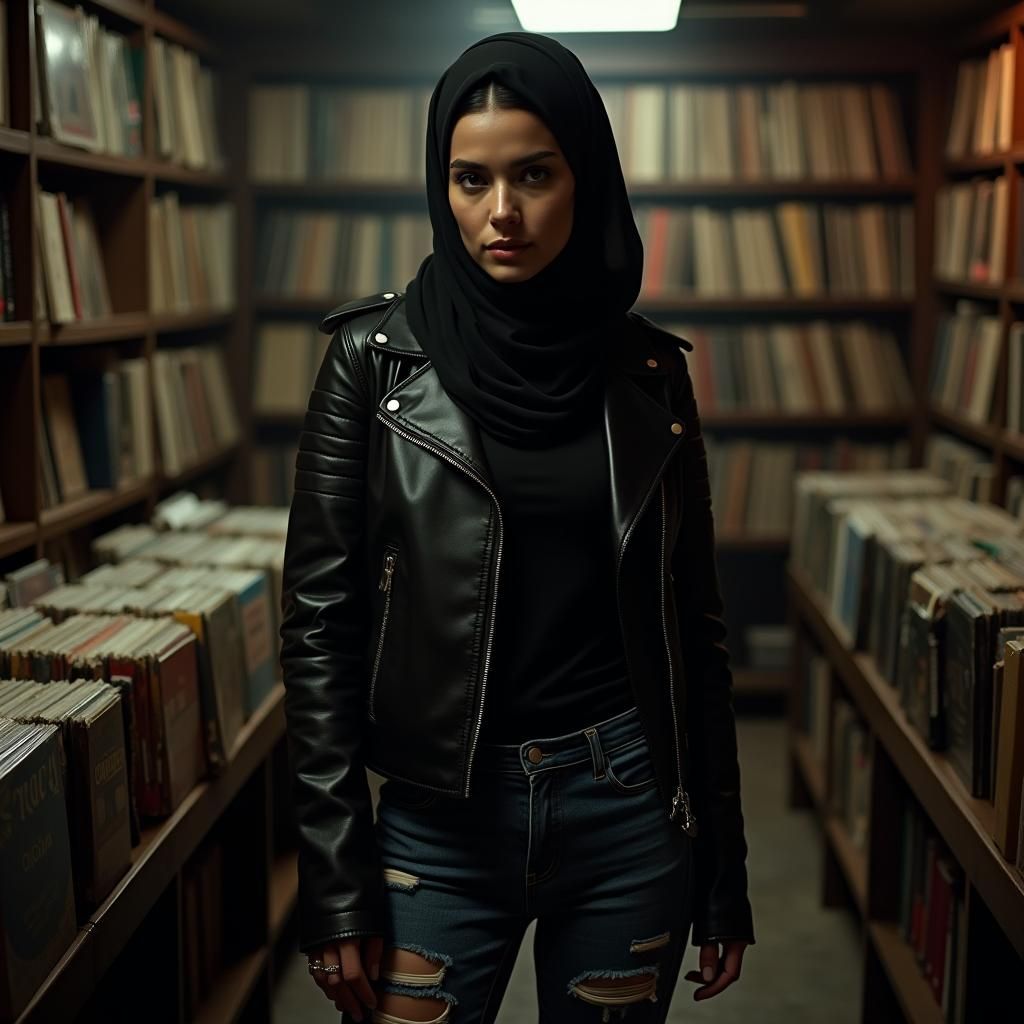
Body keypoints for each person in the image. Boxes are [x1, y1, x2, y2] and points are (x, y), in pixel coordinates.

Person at [279, 31, 755, 1024]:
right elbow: (319, 629)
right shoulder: (372, 362)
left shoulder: (649, 374)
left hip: (626, 801)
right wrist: (333, 876)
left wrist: (723, 869)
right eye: (471, 179)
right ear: (441, 185)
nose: (501, 211)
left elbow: (695, 631)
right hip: (438, 815)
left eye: (534, 175)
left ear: (585, 178)